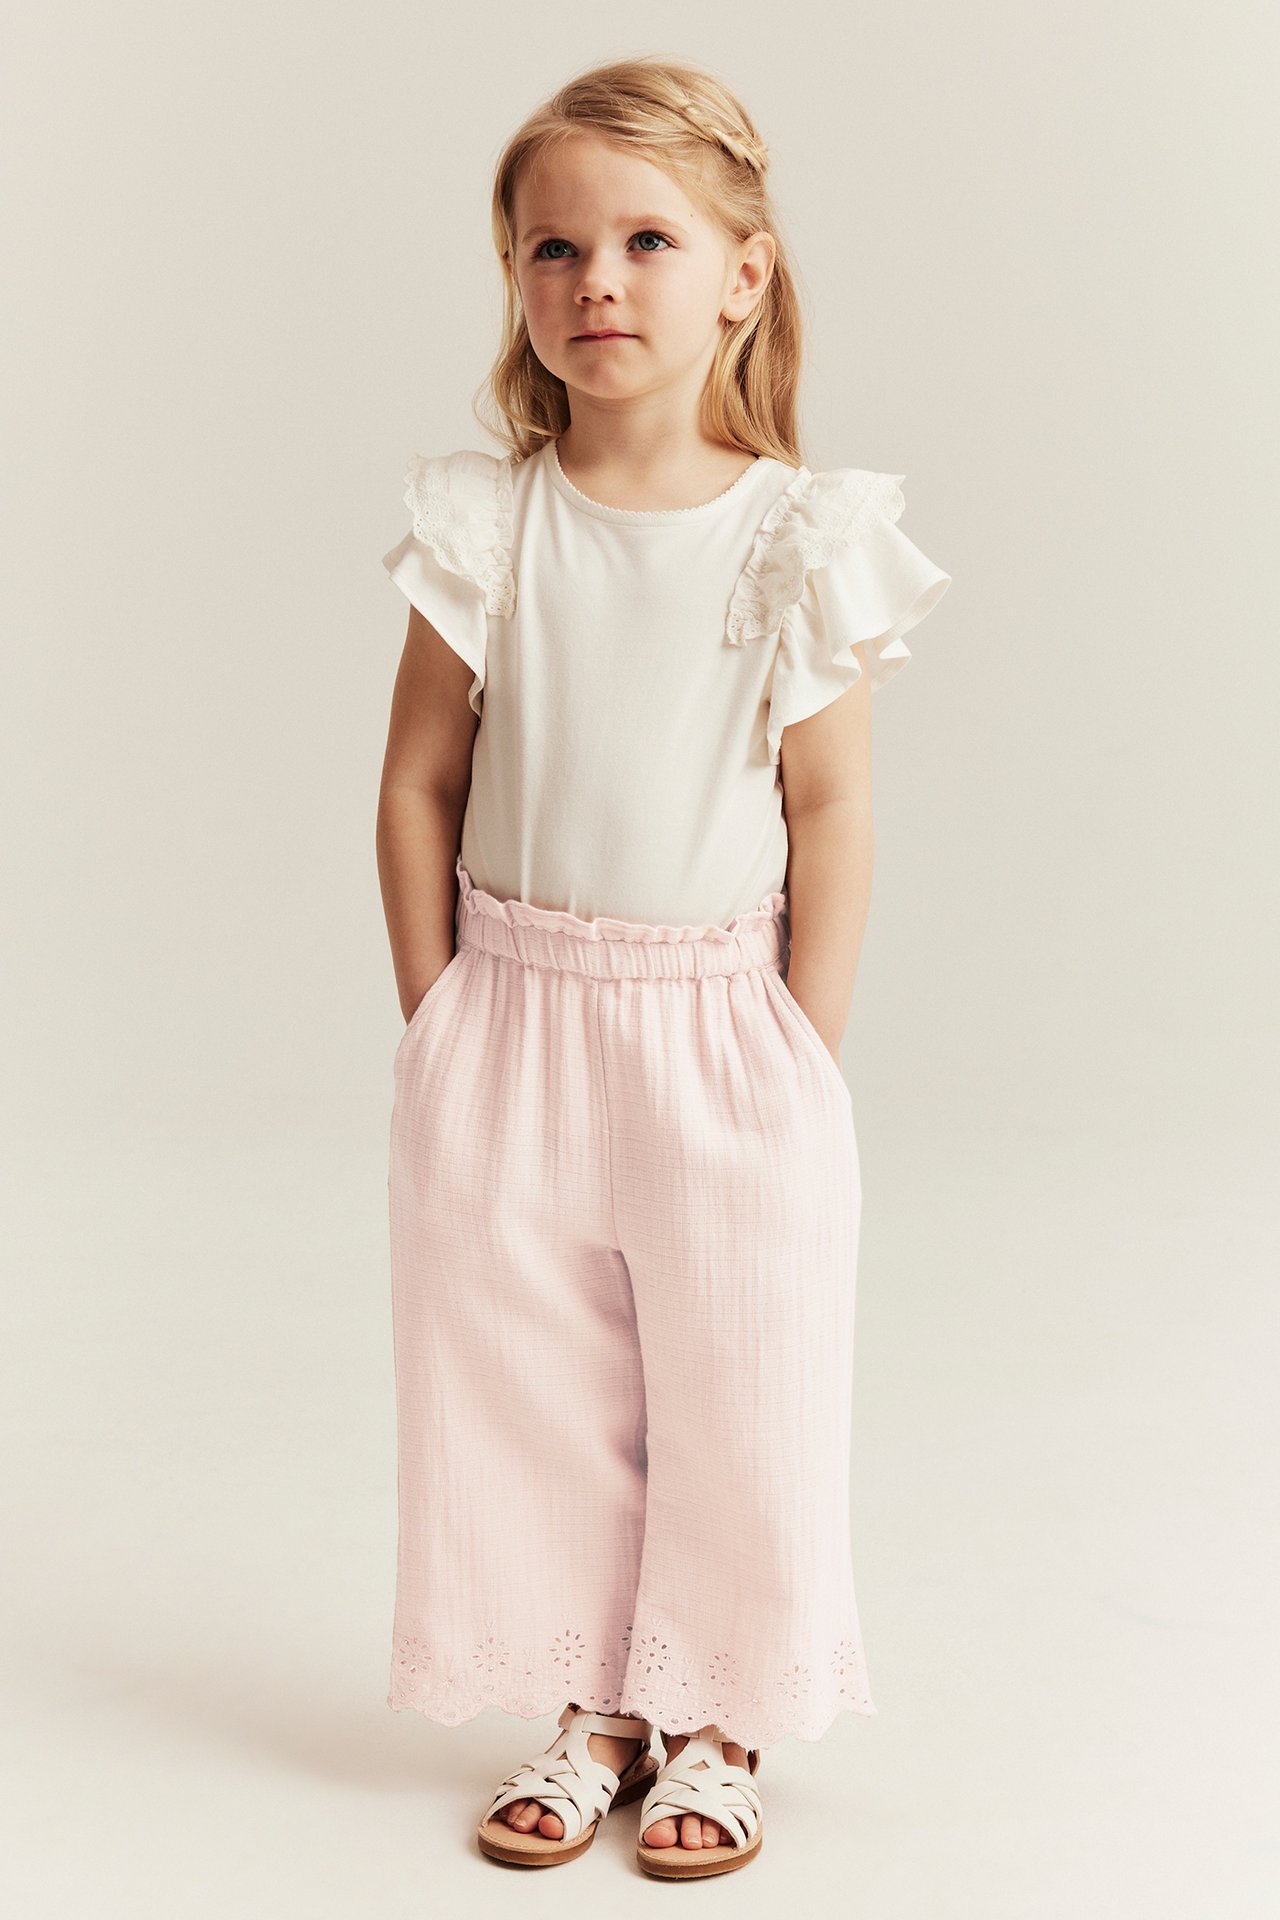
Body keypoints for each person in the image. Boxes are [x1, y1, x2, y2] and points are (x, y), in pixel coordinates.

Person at [375, 56, 952, 1881]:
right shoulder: (493, 521)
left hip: (722, 1024)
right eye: (555, 248)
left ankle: (720, 1716)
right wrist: (443, 1010)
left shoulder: (798, 533)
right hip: (515, 1013)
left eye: (645, 239)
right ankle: (588, 1696)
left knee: (742, 1378)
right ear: (519, 284)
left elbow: (835, 808)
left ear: (743, 275)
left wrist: (799, 1037)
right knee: (527, 1376)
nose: (598, 281)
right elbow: (414, 783)